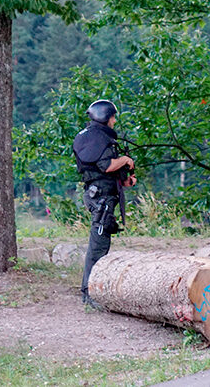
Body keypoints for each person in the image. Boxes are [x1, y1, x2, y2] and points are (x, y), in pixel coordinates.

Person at [73, 100, 136, 308]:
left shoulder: (94, 138)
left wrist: (125, 180)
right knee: (98, 247)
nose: (114, 121)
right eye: (113, 117)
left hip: (102, 195)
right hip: (101, 199)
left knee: (101, 243)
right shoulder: (98, 138)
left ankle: (92, 291)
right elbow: (106, 165)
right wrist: (126, 160)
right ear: (106, 116)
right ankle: (89, 294)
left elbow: (105, 170)